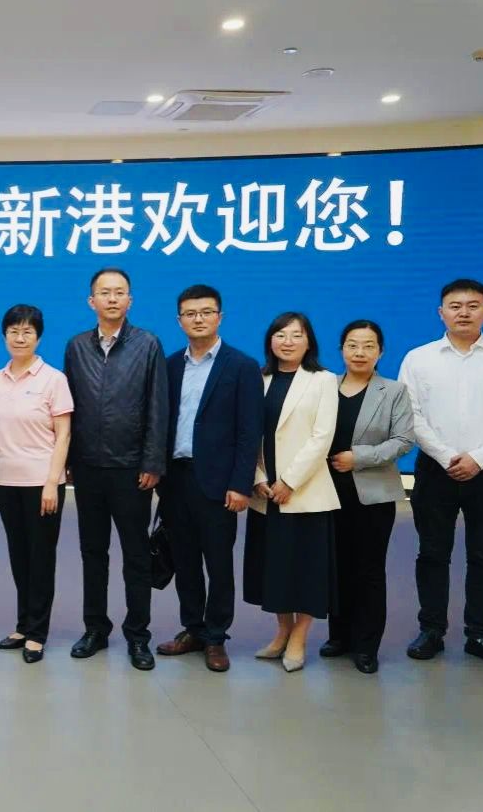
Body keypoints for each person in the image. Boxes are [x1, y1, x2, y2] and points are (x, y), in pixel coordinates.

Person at [398, 278, 483, 672]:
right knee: (432, 554)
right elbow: (410, 414)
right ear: (441, 313)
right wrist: (445, 455)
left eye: (473, 305)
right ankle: (431, 630)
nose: (464, 312)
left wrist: (479, 458)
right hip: (434, 471)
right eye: (455, 306)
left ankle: (480, 634)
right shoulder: (418, 359)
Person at [62, 267, 168, 671]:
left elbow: (158, 406)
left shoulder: (147, 344)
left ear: (130, 300)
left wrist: (152, 461)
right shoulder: (76, 346)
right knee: (93, 553)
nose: (112, 298)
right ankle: (95, 629)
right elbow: (68, 408)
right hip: (88, 468)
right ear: (91, 301)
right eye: (104, 293)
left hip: (131, 470)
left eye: (119, 292)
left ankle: (138, 635)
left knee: (136, 555)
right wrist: (68, 461)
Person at [155, 285, 263, 673]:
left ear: (220, 317)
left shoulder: (242, 366)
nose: (198, 319)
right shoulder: (169, 365)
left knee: (218, 564)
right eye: (190, 313)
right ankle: (193, 629)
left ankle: (216, 637)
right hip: (176, 479)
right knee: (184, 561)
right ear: (179, 320)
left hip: (219, 483)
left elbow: (250, 431)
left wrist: (240, 484)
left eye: (206, 312)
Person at [243, 312, 339, 673]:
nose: (287, 341)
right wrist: (257, 477)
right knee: (274, 569)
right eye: (280, 334)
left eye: (296, 335)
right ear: (270, 340)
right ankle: (282, 630)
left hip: (305, 492)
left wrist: (290, 481)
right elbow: (247, 433)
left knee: (307, 569)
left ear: (308, 341)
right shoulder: (258, 378)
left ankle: (300, 635)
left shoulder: (323, 380)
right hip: (265, 492)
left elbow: (322, 436)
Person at [321, 320, 414, 675]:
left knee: (369, 570)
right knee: (336, 566)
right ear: (341, 349)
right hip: (326, 492)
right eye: (352, 345)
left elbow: (403, 440)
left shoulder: (393, 391)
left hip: (372, 496)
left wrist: (358, 458)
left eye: (368, 346)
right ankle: (339, 636)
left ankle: (366, 645)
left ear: (380, 351)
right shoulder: (324, 386)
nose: (359, 352)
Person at [0, 304, 73, 665]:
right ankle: (23, 625)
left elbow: (64, 435)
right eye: (13, 331)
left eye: (27, 332)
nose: (20, 338)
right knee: (19, 558)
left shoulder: (53, 379)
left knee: (40, 559)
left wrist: (52, 483)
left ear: (38, 337)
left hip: (42, 484)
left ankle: (37, 633)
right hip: (7, 482)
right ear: (4, 335)